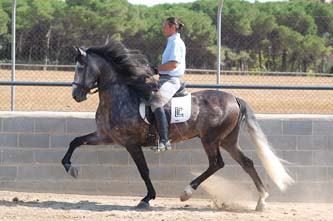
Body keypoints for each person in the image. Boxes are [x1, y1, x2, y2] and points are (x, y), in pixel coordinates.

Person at [150, 17, 186, 151]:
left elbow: (173, 64)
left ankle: (164, 141)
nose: (162, 29)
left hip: (171, 80)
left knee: (156, 103)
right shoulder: (171, 41)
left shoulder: (176, 42)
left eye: (164, 26)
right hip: (163, 78)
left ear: (173, 27)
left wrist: (155, 69)